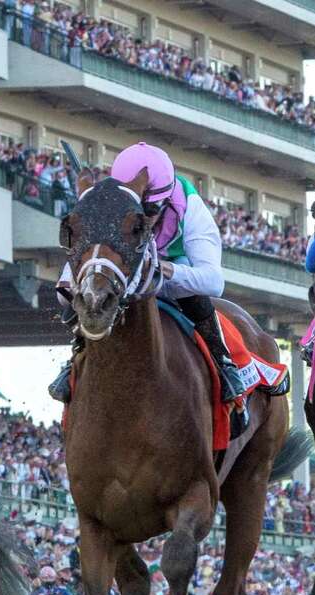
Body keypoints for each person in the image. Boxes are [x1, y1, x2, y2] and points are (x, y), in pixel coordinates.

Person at [48, 141, 246, 407]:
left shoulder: (191, 207)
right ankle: (75, 357)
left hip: (171, 270)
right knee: (77, 299)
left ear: (164, 200)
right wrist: (75, 283)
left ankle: (223, 362)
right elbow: (84, 257)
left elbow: (214, 281)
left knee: (194, 295)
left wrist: (167, 270)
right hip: (125, 273)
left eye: (151, 210)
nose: (146, 218)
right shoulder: (109, 201)